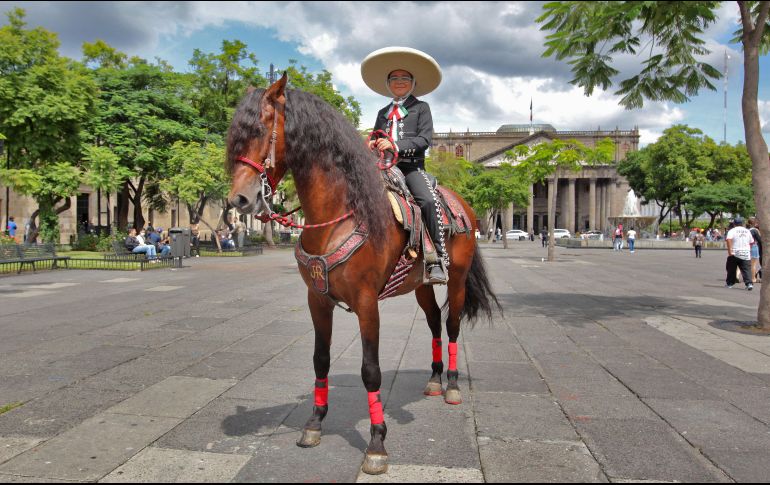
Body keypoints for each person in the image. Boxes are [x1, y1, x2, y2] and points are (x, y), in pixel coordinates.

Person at [362, 46, 446, 283]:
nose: (399, 82)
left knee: (427, 200)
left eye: (405, 78)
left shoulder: (421, 108)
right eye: (394, 78)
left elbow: (424, 140)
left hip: (410, 168)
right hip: (382, 168)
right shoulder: (383, 112)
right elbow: (376, 135)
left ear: (413, 83)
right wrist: (371, 143)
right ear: (388, 84)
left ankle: (436, 258)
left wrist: (395, 145)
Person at [725, 217, 754, 290]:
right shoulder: (747, 231)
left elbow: (728, 240)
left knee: (731, 268)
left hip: (735, 252)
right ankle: (749, 284)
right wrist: (749, 250)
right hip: (745, 252)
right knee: (746, 269)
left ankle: (730, 283)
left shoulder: (732, 230)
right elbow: (751, 242)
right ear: (742, 223)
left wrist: (730, 251)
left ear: (734, 224)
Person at [748, 217, 762, 283]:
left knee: (749, 263)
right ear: (755, 223)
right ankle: (753, 278)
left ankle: (753, 275)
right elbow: (760, 240)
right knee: (754, 264)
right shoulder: (755, 230)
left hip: (748, 247)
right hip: (754, 246)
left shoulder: (747, 230)